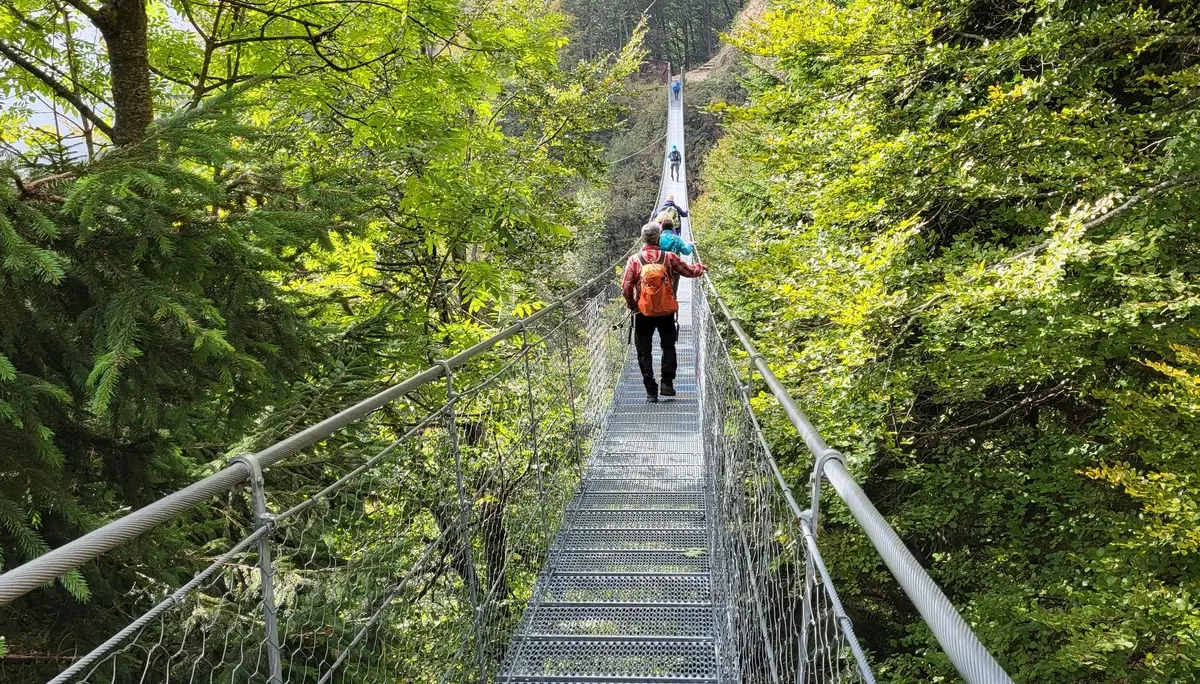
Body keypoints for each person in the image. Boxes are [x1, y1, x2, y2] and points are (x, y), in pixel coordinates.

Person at [622, 222, 707, 403]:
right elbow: (689, 271)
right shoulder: (668, 257)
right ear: (659, 238)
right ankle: (667, 384)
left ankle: (651, 391)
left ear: (642, 239)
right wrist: (700, 268)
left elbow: (626, 286)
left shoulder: (634, 260)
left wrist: (632, 304)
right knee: (668, 347)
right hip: (666, 311)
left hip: (643, 312)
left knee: (644, 351)